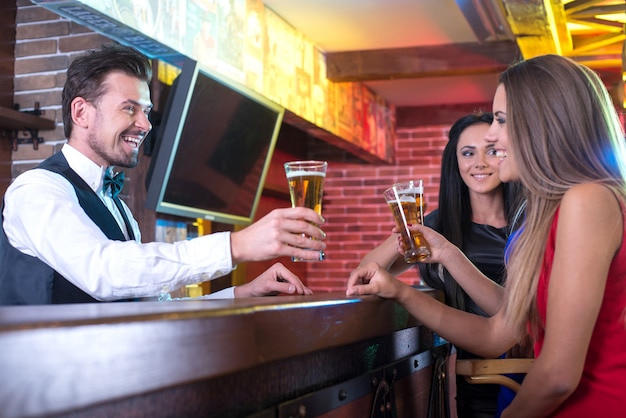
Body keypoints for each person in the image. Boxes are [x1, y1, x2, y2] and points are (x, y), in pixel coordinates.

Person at [347, 54, 626, 417]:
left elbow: (558, 375)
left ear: (543, 123)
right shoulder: (558, 209)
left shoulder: (586, 200)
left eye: (501, 120)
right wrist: (401, 291)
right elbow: (497, 334)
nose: (491, 137)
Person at [0, 44, 326, 305]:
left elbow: (153, 304)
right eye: (130, 108)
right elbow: (104, 272)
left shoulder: (119, 209)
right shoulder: (36, 191)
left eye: (146, 111)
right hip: (47, 385)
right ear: (81, 112)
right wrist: (235, 246)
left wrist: (240, 294)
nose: (145, 124)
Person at [360, 112, 523, 418]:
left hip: (519, 372)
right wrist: (407, 228)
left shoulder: (527, 222)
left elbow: (511, 316)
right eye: (467, 153)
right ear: (455, 162)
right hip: (461, 376)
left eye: (490, 151)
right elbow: (367, 270)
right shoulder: (439, 224)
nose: (480, 163)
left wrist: (449, 254)